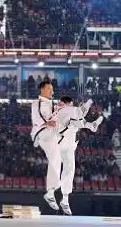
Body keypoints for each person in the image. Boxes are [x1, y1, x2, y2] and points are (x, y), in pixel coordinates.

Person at [55, 96, 104, 215]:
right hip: (61, 143)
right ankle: (91, 126)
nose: (72, 106)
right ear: (67, 103)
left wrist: (89, 122)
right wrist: (89, 102)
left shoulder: (67, 112)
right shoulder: (63, 110)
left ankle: (65, 200)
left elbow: (78, 117)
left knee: (70, 169)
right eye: (71, 104)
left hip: (68, 145)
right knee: (68, 168)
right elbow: (79, 113)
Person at [30, 80, 61, 211]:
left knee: (57, 158)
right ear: (42, 89)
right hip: (43, 132)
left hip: (52, 133)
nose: (52, 91)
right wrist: (48, 122)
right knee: (55, 156)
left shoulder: (53, 104)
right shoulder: (36, 103)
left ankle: (51, 191)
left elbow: (56, 119)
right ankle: (51, 190)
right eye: (49, 89)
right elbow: (36, 118)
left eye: (52, 89)